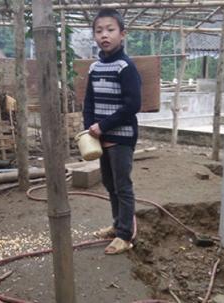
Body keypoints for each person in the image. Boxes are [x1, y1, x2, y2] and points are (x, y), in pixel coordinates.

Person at [83, 8, 142, 255]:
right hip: (101, 137)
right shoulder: (94, 68)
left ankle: (125, 235)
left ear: (122, 34)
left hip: (121, 137)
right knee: (109, 183)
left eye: (110, 30)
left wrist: (103, 126)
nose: (104, 35)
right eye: (99, 31)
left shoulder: (125, 67)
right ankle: (117, 224)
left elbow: (132, 105)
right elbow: (89, 102)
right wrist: (89, 128)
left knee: (122, 186)